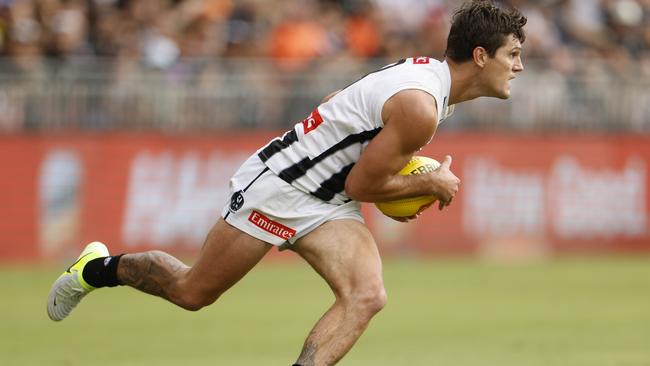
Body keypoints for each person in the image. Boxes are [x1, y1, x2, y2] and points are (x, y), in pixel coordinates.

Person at [46, 1, 526, 365]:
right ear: (481, 55)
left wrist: (387, 173)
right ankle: (95, 268)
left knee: (367, 295)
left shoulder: (429, 84)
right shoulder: (421, 105)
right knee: (192, 292)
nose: (519, 66)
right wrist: (433, 184)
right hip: (278, 189)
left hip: (328, 201)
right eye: (513, 54)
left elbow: (339, 100)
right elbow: (364, 184)